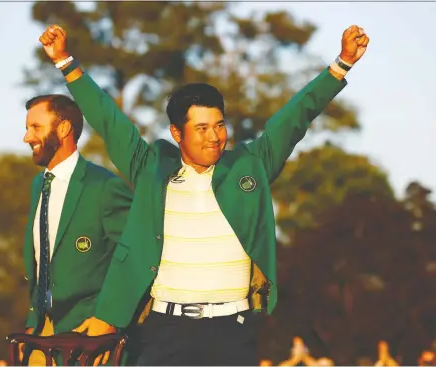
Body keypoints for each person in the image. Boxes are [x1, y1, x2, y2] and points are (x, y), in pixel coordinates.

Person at [37, 23, 369, 365]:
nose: (215, 136)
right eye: (202, 128)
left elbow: (296, 117)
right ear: (176, 133)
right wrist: (66, 63)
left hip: (232, 331)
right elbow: (108, 120)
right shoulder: (150, 169)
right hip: (164, 330)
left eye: (220, 125)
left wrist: (341, 64)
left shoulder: (251, 166)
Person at [21, 93, 133, 365]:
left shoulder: (104, 187)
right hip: (43, 332)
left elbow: (135, 258)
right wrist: (32, 321)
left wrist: (109, 317)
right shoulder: (38, 185)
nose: (27, 137)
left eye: (35, 127)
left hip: (91, 334)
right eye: (27, 128)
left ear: (63, 128)